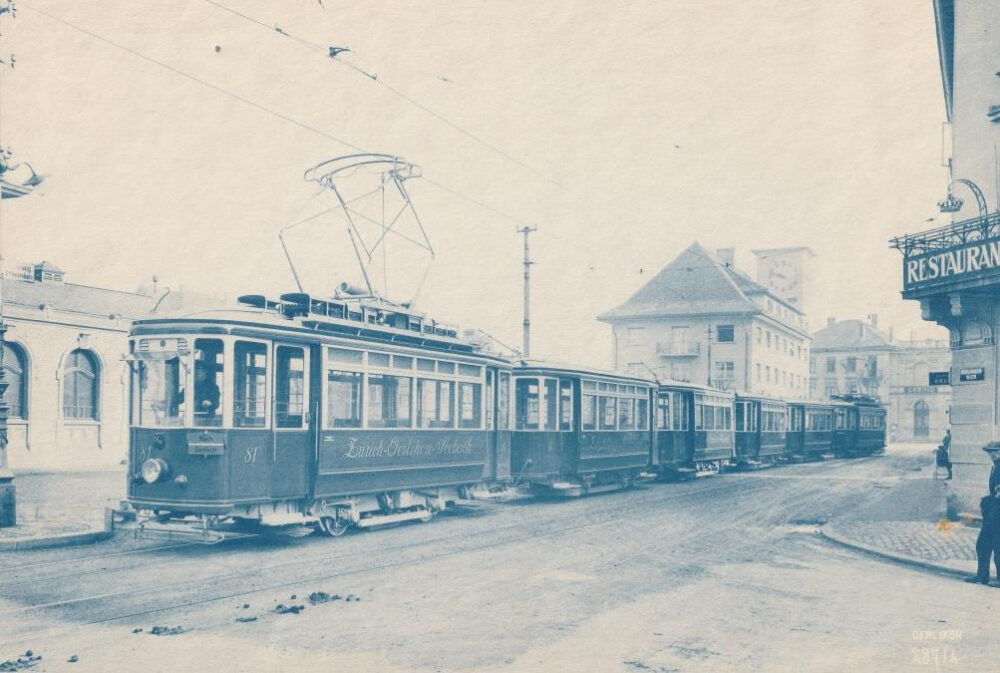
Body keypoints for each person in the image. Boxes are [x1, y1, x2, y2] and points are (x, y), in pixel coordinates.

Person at [965, 442, 1000, 585]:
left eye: (995, 452)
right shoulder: (995, 466)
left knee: (998, 545)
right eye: (989, 452)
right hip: (993, 511)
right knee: (983, 544)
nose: (991, 455)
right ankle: (982, 575)